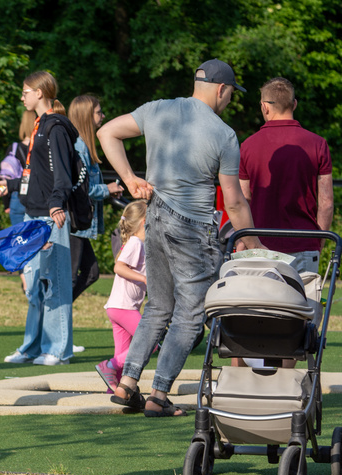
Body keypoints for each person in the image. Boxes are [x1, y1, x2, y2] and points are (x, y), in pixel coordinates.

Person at [97, 58, 263, 417]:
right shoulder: (224, 134)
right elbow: (233, 201)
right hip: (193, 228)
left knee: (157, 307)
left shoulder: (158, 110)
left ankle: (127, 385)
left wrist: (129, 179)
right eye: (231, 94)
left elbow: (106, 132)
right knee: (190, 313)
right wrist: (253, 241)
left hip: (154, 219)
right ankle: (158, 395)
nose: (230, 100)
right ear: (221, 90)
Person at [0, 71, 76, 366]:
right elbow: (36, 175)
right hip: (33, 213)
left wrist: (56, 203)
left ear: (40, 92)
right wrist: (11, 185)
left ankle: (57, 350)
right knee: (35, 284)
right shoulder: (39, 126)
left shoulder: (55, 127)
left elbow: (62, 173)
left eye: (26, 90)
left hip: (51, 215)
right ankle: (32, 347)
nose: (22, 95)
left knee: (56, 282)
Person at [239, 77, 333, 274]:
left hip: (260, 245)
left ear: (264, 107)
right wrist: (319, 241)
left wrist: (243, 239)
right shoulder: (317, 144)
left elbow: (243, 199)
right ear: (295, 104)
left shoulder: (247, 146)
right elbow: (326, 203)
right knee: (305, 304)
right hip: (305, 242)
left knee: (261, 305)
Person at [67, 96, 123, 302]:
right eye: (99, 112)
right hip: (75, 223)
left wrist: (108, 190)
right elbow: (82, 189)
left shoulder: (84, 146)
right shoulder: (79, 148)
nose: (103, 116)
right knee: (72, 278)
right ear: (86, 116)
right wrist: (107, 189)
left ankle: (57, 314)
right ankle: (55, 318)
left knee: (91, 272)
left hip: (81, 225)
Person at [96, 200, 147, 393]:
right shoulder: (135, 242)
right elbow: (119, 267)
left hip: (119, 307)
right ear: (144, 222)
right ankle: (108, 366)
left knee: (121, 353)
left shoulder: (136, 242)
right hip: (124, 307)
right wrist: (144, 278)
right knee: (150, 344)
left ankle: (116, 389)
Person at [0, 111, 36, 226]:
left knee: (19, 239)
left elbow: (5, 176)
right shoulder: (42, 147)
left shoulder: (14, 148)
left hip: (17, 196)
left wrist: (6, 204)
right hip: (37, 196)